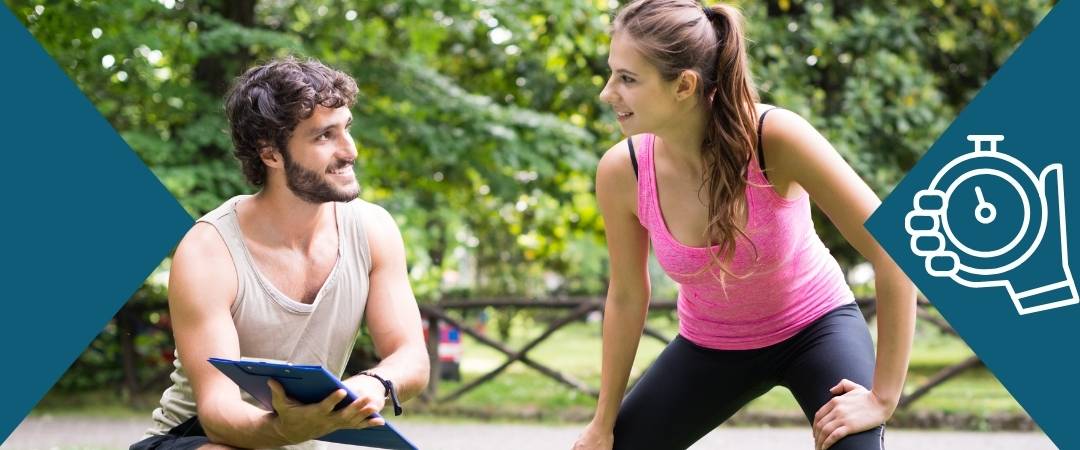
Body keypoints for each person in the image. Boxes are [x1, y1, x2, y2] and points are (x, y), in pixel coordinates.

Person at [572, 1, 917, 449]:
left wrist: (883, 397)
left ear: (684, 86)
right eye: (612, 73)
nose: (607, 93)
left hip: (815, 327)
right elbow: (626, 294)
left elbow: (893, 249)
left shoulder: (775, 138)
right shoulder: (624, 172)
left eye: (627, 79)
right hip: (710, 344)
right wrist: (603, 423)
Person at [131, 56, 429, 450]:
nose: (350, 151)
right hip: (199, 439)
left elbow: (411, 356)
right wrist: (286, 430)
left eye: (346, 129)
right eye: (325, 136)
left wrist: (374, 384)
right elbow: (217, 412)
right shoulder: (209, 249)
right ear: (270, 153)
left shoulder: (374, 230)